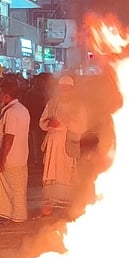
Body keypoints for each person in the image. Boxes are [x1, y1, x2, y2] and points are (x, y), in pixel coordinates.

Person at [38, 75, 87, 216]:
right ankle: (48, 206)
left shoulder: (79, 105)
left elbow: (82, 126)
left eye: (67, 88)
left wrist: (67, 122)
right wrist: (49, 123)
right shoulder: (52, 103)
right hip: (52, 145)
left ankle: (67, 207)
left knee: (66, 175)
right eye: (62, 87)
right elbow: (42, 121)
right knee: (50, 174)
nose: (64, 90)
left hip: (67, 145)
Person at [0, 77, 30, 223]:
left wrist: (2, 159)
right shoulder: (20, 109)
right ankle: (13, 216)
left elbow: (9, 137)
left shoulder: (12, 112)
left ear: (7, 95)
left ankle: (18, 218)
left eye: (0, 94)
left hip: (12, 158)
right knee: (15, 188)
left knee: (16, 189)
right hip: (19, 156)